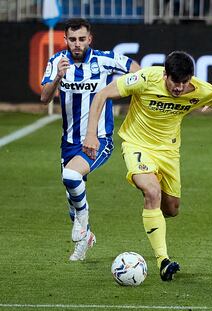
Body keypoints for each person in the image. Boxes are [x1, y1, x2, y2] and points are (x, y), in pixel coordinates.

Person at [82, 51, 212, 281]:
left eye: (184, 82)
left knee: (171, 209)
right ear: (165, 74)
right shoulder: (145, 79)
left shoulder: (198, 89)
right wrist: (91, 133)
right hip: (136, 144)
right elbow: (102, 95)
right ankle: (163, 261)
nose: (179, 88)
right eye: (174, 82)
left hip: (169, 152)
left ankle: (152, 215)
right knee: (152, 191)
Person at [40, 18, 140, 261]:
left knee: (71, 177)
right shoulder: (57, 62)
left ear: (89, 39)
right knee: (72, 198)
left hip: (99, 139)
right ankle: (86, 238)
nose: (77, 44)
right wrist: (57, 79)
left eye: (81, 39)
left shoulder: (104, 59)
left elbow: (136, 68)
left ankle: (84, 222)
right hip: (69, 142)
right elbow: (45, 98)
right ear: (65, 40)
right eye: (72, 40)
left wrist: (121, 88)